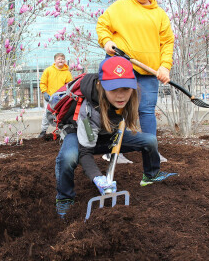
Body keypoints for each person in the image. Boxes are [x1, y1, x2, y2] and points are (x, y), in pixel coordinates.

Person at [54, 56, 176, 217]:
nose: (121, 96)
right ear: (101, 86)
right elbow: (85, 152)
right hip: (79, 135)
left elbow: (122, 119)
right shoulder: (89, 111)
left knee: (149, 140)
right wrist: (97, 177)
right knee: (68, 157)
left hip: (108, 135)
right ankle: (64, 198)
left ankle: (151, 175)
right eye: (113, 89)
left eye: (125, 88)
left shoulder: (132, 96)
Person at [96, 0, 174, 162]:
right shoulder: (120, 7)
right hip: (121, 67)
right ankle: (113, 151)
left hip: (148, 71)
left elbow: (167, 42)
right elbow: (102, 25)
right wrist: (106, 42)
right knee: (117, 108)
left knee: (147, 110)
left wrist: (164, 66)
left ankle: (151, 150)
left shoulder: (160, 14)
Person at [39, 53, 73, 139]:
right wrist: (44, 92)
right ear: (55, 61)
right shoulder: (48, 70)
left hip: (61, 98)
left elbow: (69, 85)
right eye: (59, 59)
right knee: (47, 114)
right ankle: (43, 131)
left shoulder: (67, 73)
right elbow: (43, 82)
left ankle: (60, 132)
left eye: (62, 59)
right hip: (50, 97)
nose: (61, 60)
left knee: (61, 115)